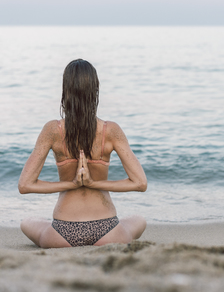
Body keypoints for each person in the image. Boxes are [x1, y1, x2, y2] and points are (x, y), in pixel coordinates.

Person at [18, 59, 147, 248]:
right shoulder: (111, 130)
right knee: (139, 219)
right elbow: (140, 183)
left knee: (26, 222)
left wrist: (71, 184)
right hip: (108, 230)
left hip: (63, 232)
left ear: (66, 91)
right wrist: (94, 183)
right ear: (95, 91)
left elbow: (25, 185)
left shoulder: (52, 130)